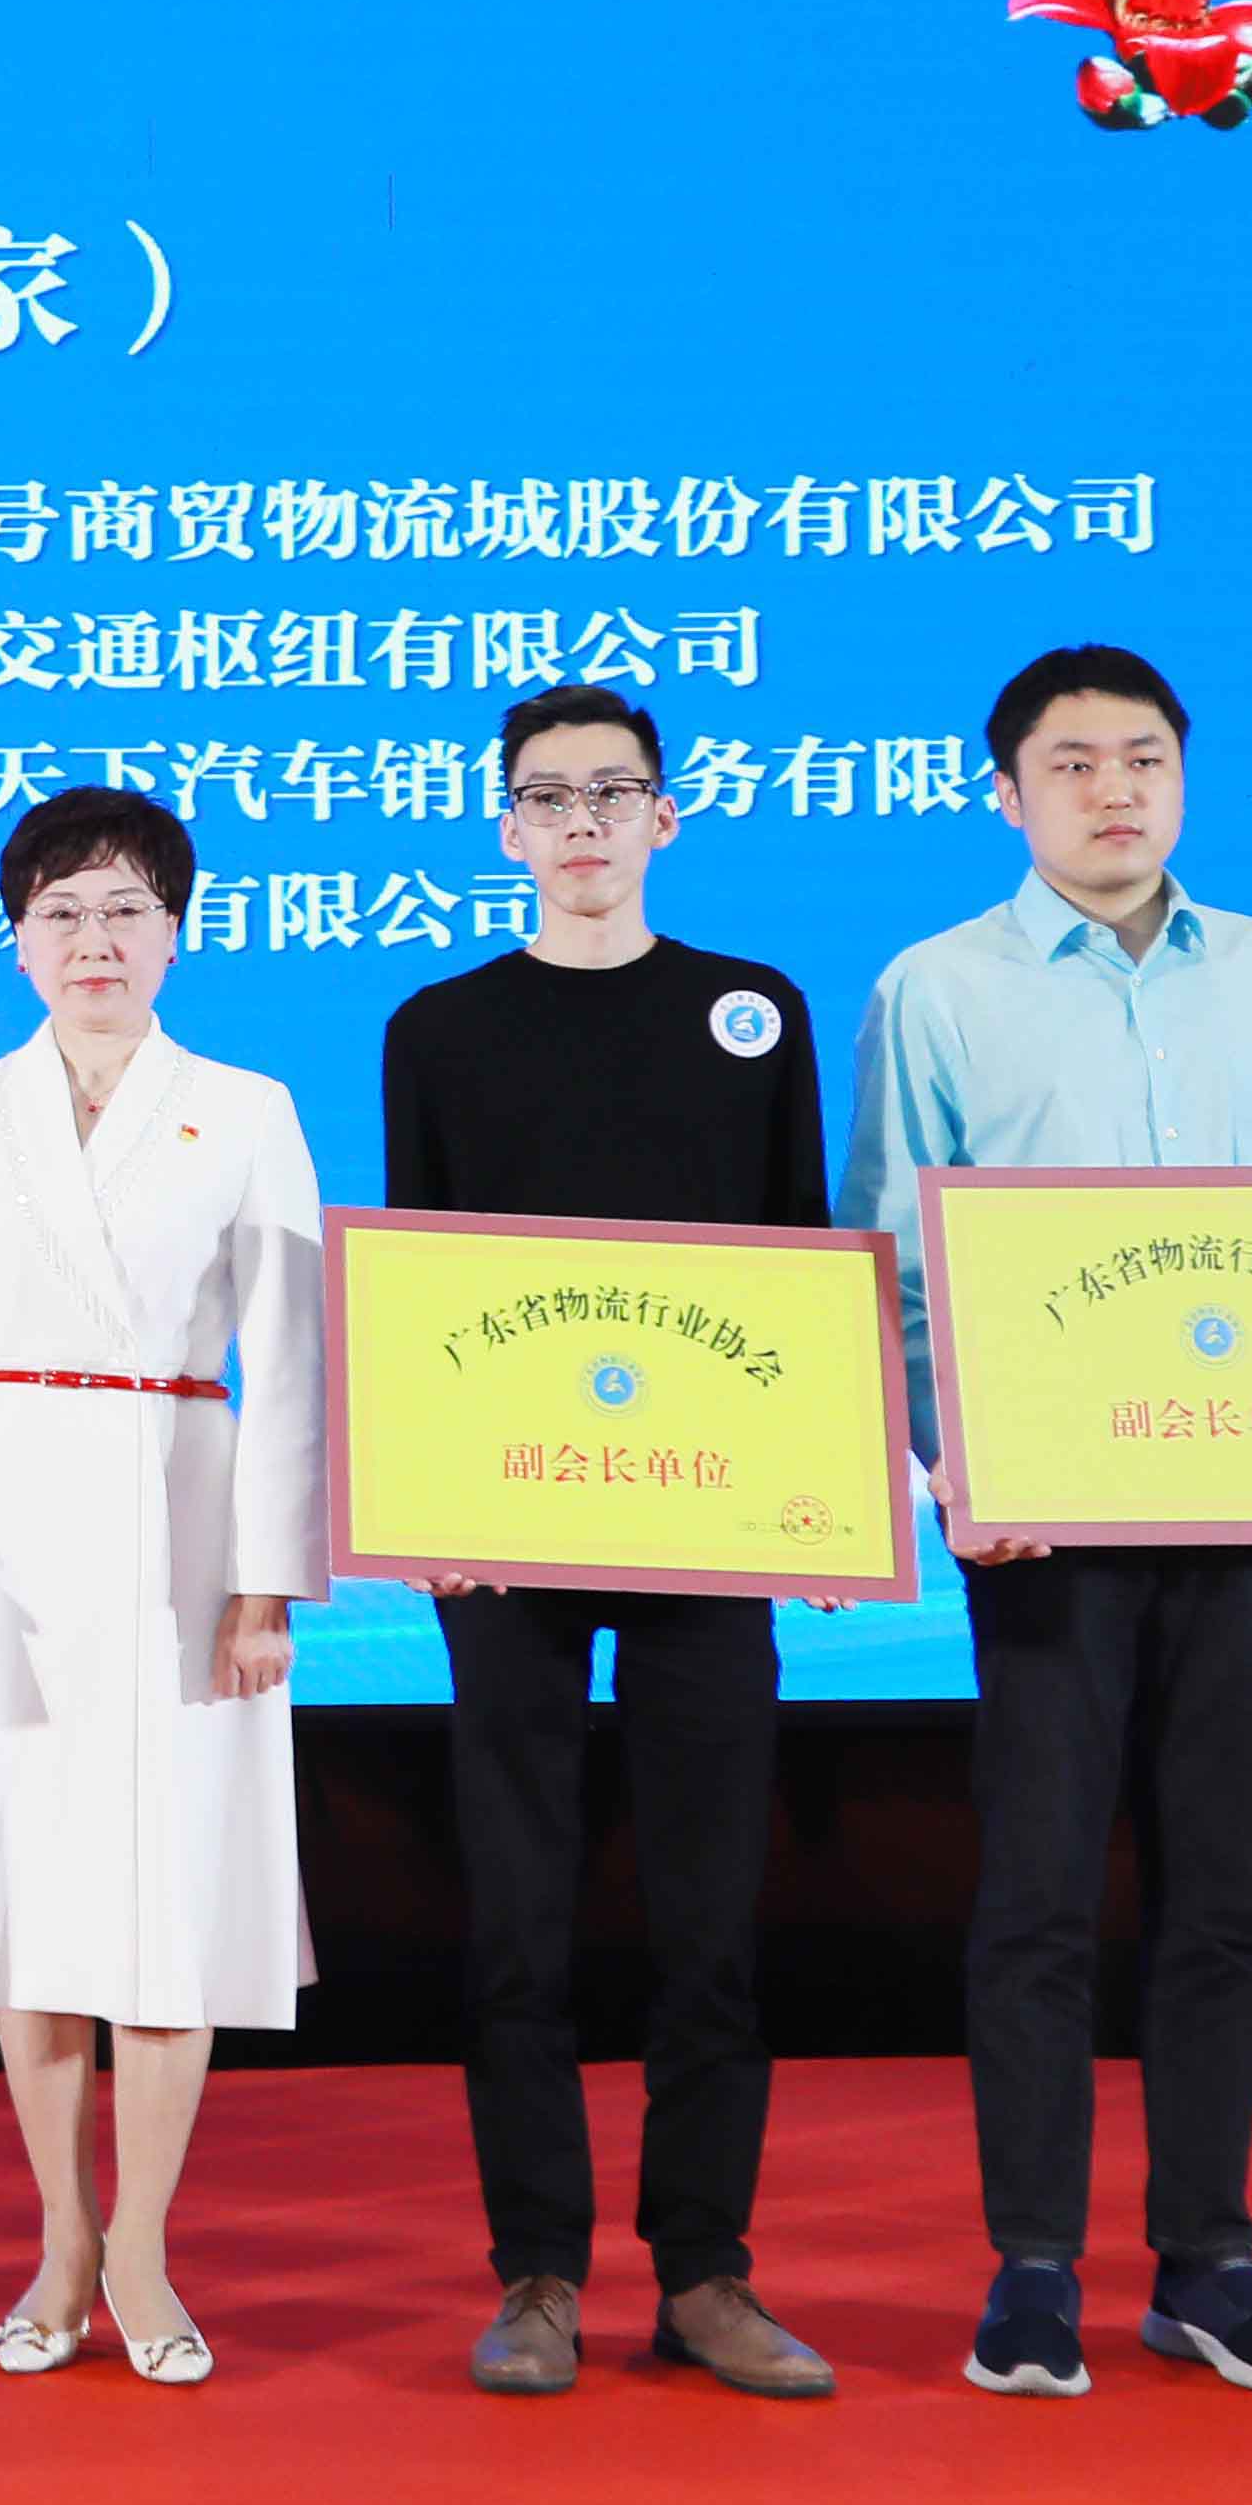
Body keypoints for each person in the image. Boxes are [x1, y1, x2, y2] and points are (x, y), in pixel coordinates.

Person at [848, 643, 1252, 2402]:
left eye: (1145, 757)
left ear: (1184, 777)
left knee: (1226, 1892)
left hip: (1245, 1498)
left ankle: (1210, 2260)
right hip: (1047, 1520)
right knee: (1035, 1895)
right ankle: (1031, 2265)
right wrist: (954, 1465)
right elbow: (899, 1261)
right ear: (1004, 794)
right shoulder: (938, 987)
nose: (1115, 789)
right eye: (1073, 762)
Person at [379, 688, 839, 2403]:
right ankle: (540, 2274)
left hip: (705, 1518)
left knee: (712, 1913)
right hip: (509, 1524)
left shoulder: (753, 1011)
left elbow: (798, 1258)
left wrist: (817, 1491)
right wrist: (424, 1500)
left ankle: (708, 2272)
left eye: (613, 792)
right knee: (518, 1917)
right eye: (550, 798)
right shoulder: (440, 1028)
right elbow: (420, 1277)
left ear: (666, 816)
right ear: (507, 828)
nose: (583, 823)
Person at [0, 785, 326, 2389]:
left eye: (127, 908)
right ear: (16, 939)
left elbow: (290, 1360)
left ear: (176, 932)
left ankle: (143, 2246)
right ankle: (64, 2236)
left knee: (166, 1891)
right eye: (61, 911)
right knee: (29, 1894)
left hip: (178, 1517)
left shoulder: (246, 1107)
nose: (95, 940)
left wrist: (268, 1581)